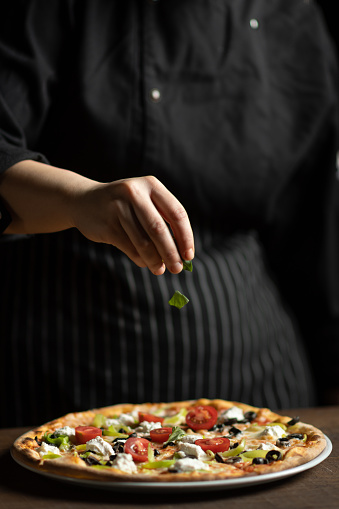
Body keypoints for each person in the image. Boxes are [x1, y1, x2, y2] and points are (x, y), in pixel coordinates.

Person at [0, 0, 338, 428]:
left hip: (262, 385)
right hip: (69, 370)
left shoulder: (293, 15)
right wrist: (79, 199)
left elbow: (317, 233)